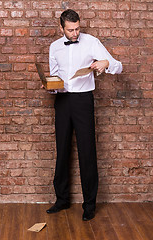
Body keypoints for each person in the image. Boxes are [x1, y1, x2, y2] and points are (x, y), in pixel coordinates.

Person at [46, 9, 122, 221]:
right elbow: (54, 75)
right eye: (70, 30)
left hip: (82, 100)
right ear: (61, 28)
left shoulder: (91, 42)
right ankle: (61, 200)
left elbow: (118, 65)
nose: (75, 33)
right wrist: (51, 86)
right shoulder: (54, 47)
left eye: (77, 28)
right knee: (62, 150)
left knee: (87, 152)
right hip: (62, 101)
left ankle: (89, 205)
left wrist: (105, 63)